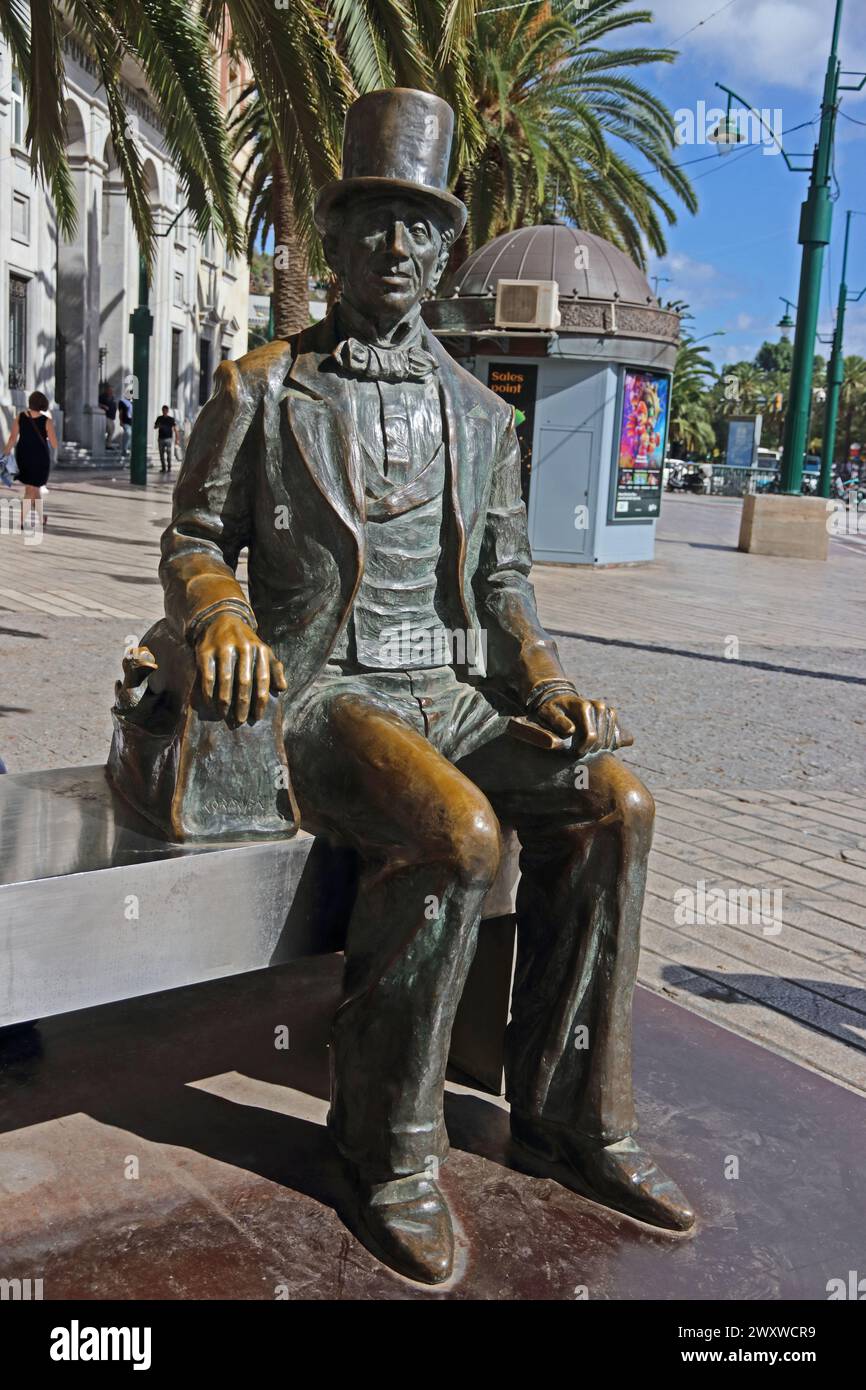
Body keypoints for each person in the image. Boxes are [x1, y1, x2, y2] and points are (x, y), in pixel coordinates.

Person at [158, 89, 694, 1284]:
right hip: (318, 693)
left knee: (617, 801)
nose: (395, 250)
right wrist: (226, 615)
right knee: (456, 833)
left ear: (442, 248)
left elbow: (503, 581)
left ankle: (569, 1119)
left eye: (418, 229)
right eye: (374, 224)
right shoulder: (260, 386)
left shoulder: (475, 412)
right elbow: (192, 536)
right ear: (336, 240)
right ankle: (382, 1149)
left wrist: (546, 681)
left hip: (452, 689)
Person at [3, 389, 57, 526]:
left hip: (23, 457)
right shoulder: (47, 421)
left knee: (34, 488)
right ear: (42, 404)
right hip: (40, 458)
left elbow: (12, 439)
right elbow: (54, 444)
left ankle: (41, 517)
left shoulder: (20, 417)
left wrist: (4, 454)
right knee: (31, 489)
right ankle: (21, 521)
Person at [153, 406, 178, 473]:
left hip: (168, 439)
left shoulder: (171, 419)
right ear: (162, 411)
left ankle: (169, 467)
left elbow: (175, 428)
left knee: (169, 453)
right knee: (161, 454)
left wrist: (177, 438)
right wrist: (158, 426)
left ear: (167, 411)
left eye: (166, 410)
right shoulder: (159, 418)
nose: (164, 411)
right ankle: (163, 468)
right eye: (163, 410)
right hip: (161, 438)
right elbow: (155, 427)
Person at [98, 385, 118, 451]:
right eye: (110, 390)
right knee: (109, 429)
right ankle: (106, 444)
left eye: (112, 390)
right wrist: (104, 406)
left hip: (112, 417)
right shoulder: (102, 397)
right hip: (105, 416)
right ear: (107, 390)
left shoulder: (112, 397)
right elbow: (97, 403)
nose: (111, 391)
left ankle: (108, 444)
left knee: (112, 430)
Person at [118, 393, 133, 458]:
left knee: (130, 436)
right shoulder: (122, 402)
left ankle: (128, 450)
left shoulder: (133, 402)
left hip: (132, 422)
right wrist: (121, 421)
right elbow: (121, 412)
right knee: (128, 434)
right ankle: (124, 450)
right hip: (126, 422)